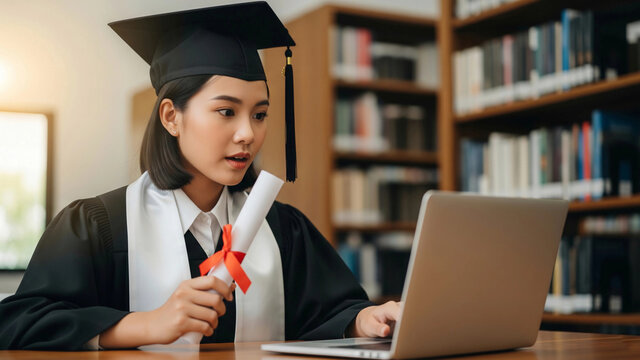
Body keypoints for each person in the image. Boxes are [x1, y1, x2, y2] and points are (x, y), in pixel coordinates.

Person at [0, 1, 401, 350]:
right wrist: (144, 324)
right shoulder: (97, 226)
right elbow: (20, 323)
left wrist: (362, 321)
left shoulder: (281, 228)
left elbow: (330, 311)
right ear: (172, 117)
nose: (248, 133)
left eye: (259, 115)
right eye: (227, 111)